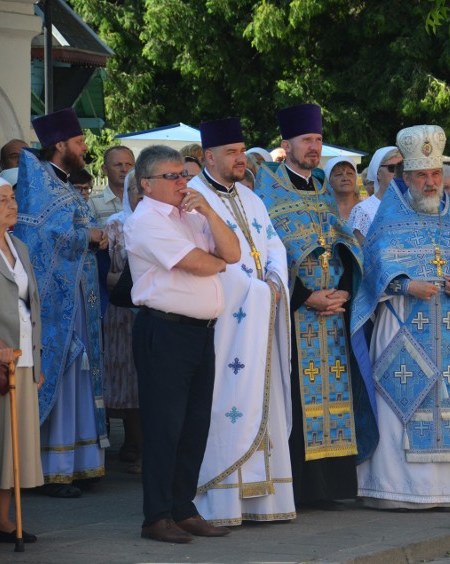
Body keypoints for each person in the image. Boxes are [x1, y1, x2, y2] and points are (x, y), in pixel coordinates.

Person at [350, 124, 450, 509]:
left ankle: (445, 489)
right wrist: (406, 286)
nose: (431, 182)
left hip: (447, 326)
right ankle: (393, 490)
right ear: (407, 178)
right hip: (400, 323)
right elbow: (373, 274)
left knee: (446, 399)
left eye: (436, 174)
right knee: (396, 402)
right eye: (422, 175)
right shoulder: (387, 218)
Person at [125, 144, 240, 543]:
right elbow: (200, 264)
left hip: (199, 331)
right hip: (165, 331)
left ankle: (182, 508)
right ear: (146, 184)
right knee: (165, 427)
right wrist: (217, 262)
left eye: (184, 175)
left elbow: (232, 253)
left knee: (194, 426)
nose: (182, 182)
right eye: (171, 176)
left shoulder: (191, 215)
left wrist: (208, 211)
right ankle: (156, 517)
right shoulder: (146, 220)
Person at [256, 103, 364, 510]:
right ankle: (302, 487)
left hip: (332, 312)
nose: (314, 147)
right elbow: (272, 254)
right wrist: (306, 296)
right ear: (287, 145)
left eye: (318, 140)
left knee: (335, 391)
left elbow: (342, 244)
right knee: (298, 396)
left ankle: (331, 486)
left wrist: (344, 291)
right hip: (295, 312)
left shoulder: (323, 189)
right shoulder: (267, 190)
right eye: (307, 140)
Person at [188, 118, 294, 526]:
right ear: (209, 157)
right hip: (227, 324)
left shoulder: (251, 198)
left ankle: (265, 500)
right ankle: (223, 499)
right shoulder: (194, 198)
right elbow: (209, 259)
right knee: (224, 404)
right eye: (231, 152)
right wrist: (255, 291)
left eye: (241, 150)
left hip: (259, 318)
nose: (239, 159)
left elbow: (273, 245)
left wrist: (274, 280)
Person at [14, 108, 108, 498]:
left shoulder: (67, 185)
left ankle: (81, 463)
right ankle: (53, 467)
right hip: (57, 302)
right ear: (60, 145)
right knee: (65, 372)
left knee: (81, 375)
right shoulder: (40, 188)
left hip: (80, 295)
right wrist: (88, 237)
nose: (85, 148)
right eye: (80, 141)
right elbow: (38, 242)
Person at [0, 176, 43, 543]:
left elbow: (31, 304)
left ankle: (1, 519)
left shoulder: (19, 245)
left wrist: (37, 361)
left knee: (12, 444)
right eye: (1, 199)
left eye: (13, 197)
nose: (12, 204)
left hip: (21, 357)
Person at [102, 172, 144, 472]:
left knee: (147, 381)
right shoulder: (115, 224)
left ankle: (144, 443)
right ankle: (131, 440)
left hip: (152, 309)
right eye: (133, 188)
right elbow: (105, 274)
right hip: (121, 314)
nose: (139, 194)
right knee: (126, 379)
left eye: (143, 187)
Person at [349, 147, 402, 244]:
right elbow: (359, 253)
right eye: (392, 168)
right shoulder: (363, 210)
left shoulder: (415, 205)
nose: (397, 173)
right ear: (378, 173)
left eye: (401, 167)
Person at [90, 146, 135, 226]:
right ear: (105, 169)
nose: (124, 169)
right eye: (118, 165)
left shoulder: (144, 201)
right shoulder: (92, 204)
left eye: (128, 164)